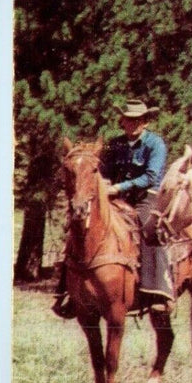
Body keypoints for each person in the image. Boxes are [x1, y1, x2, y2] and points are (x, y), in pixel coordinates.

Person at [52, 99, 171, 318]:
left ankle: (158, 291)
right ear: (122, 121)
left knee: (150, 230)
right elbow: (99, 171)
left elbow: (151, 177)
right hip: (115, 197)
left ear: (145, 122)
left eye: (137, 120)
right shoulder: (116, 144)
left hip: (146, 197)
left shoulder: (156, 144)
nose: (132, 123)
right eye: (128, 119)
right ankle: (67, 291)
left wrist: (118, 187)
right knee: (78, 226)